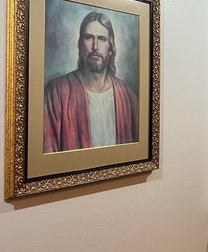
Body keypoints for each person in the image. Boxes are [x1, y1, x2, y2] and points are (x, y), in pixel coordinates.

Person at [43, 11, 138, 153]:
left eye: (102, 39)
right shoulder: (57, 92)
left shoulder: (127, 95)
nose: (95, 47)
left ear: (111, 47)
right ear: (81, 45)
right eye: (89, 38)